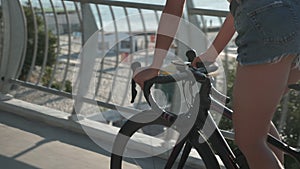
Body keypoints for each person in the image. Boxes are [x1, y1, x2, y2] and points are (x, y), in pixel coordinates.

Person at [133, 0, 300, 168]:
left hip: (271, 24)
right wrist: (211, 54)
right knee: (257, 124)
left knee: (250, 142)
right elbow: (241, 7)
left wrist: (155, 67)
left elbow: (173, 9)